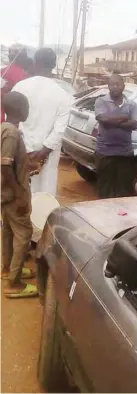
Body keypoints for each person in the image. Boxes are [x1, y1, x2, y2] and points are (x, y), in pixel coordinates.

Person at [12, 48, 73, 197]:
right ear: (53, 65)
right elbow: (60, 130)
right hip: (48, 156)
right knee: (44, 194)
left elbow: (12, 120)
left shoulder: (20, 87)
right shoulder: (62, 95)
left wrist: (27, 149)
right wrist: (42, 153)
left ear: (35, 62)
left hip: (21, 150)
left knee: (20, 191)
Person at [1, 92, 38, 298]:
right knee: (24, 235)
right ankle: (13, 284)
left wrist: (27, 168)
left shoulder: (5, 129)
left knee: (8, 232)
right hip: (13, 196)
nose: (28, 111)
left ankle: (7, 269)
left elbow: (11, 164)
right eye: (27, 107)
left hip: (5, 194)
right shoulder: (12, 133)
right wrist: (19, 195)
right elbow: (5, 165)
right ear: (19, 110)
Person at [94, 74, 137, 198]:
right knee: (104, 190)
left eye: (117, 84)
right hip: (105, 153)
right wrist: (125, 118)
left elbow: (135, 124)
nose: (115, 87)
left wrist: (112, 121)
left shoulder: (131, 104)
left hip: (125, 154)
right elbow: (103, 119)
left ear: (123, 86)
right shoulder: (101, 101)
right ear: (108, 86)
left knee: (123, 191)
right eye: (112, 84)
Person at [1, 45, 32, 123]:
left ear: (9, 57)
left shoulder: (2, 73)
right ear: (24, 59)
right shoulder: (26, 77)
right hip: (15, 120)